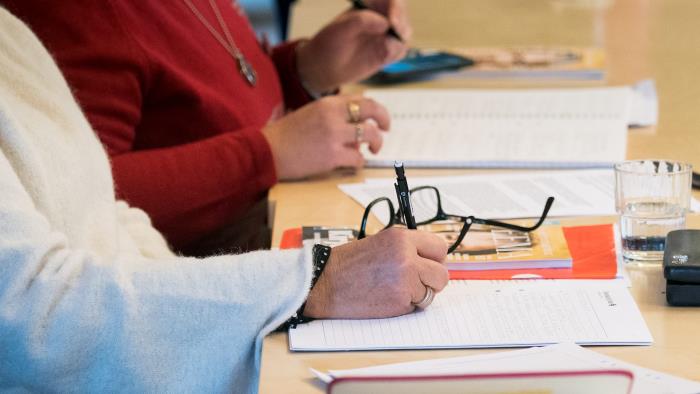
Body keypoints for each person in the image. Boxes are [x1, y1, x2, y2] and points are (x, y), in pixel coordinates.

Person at [0, 8, 448, 392]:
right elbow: (35, 318)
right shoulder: (74, 14)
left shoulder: (10, 33)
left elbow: (95, 198)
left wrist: (301, 74)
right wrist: (313, 282)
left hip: (185, 312)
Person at [2, 0, 412, 256]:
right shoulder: (76, 13)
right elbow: (81, 200)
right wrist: (267, 153)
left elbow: (217, 98)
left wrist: (306, 72)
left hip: (265, 218)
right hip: (197, 275)